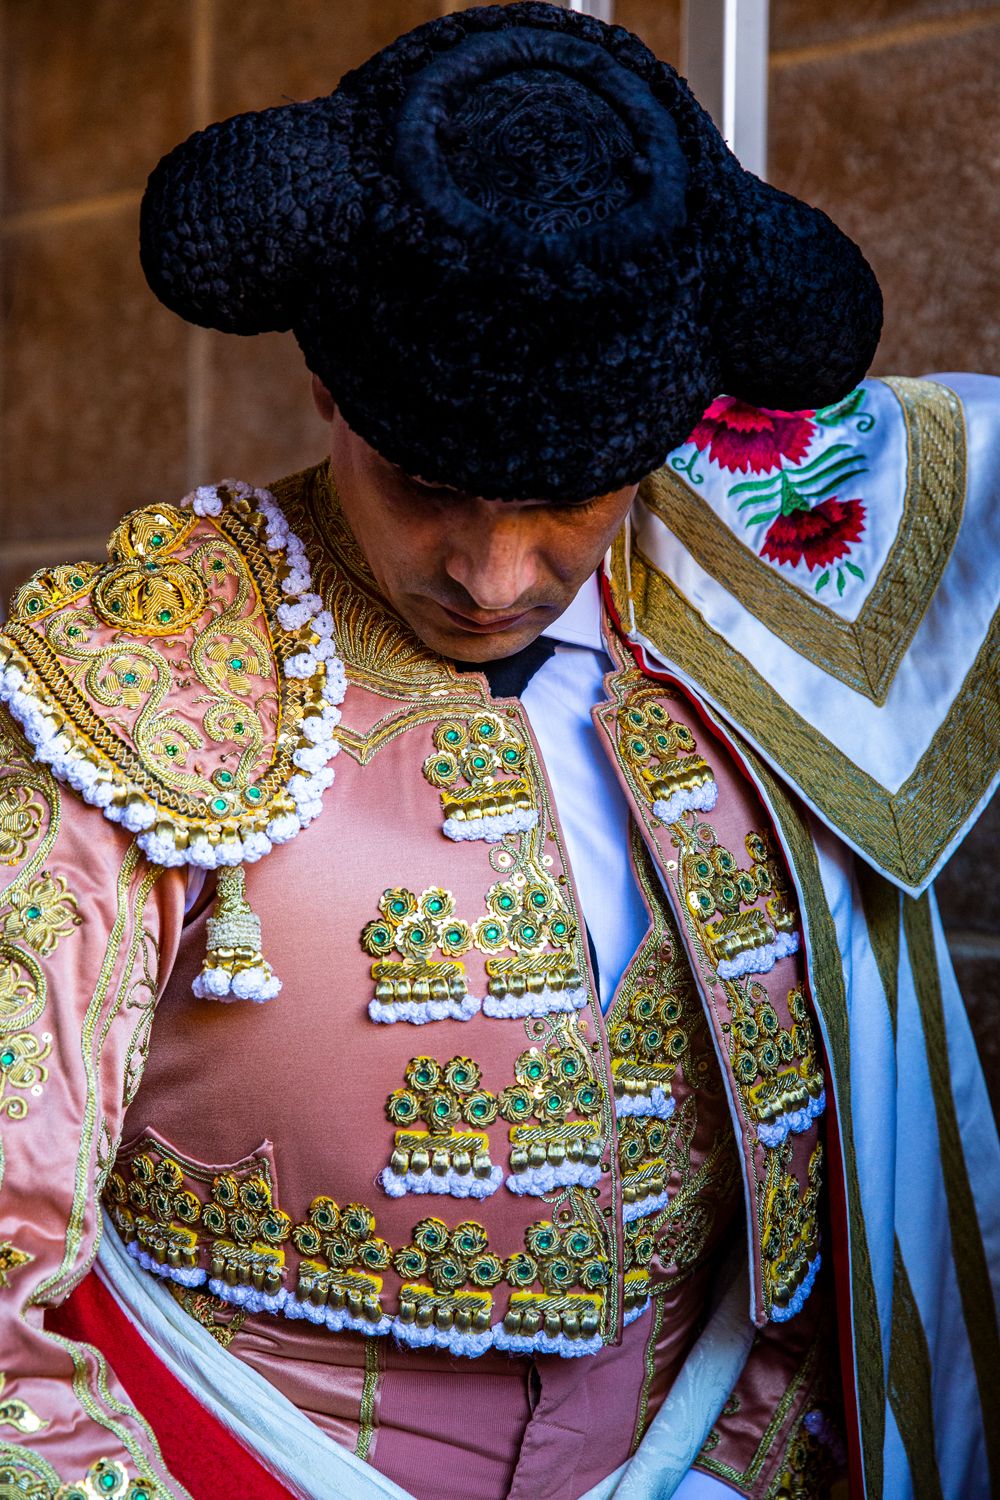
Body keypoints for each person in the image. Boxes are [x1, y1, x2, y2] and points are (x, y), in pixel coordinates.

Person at [0, 6, 996, 1499]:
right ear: (329, 386)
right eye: (427, 486)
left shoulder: (755, 615)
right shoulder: (148, 663)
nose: (496, 573)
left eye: (573, 498)